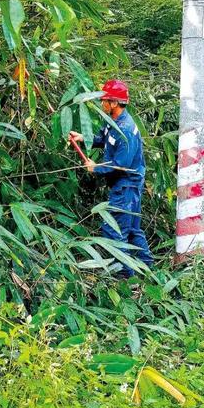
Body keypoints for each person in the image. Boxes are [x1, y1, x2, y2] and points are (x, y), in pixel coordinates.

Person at [69, 80, 153, 277]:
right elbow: (104, 139)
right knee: (132, 230)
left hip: (126, 187)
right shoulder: (113, 122)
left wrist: (95, 167)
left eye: (104, 100)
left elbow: (120, 163)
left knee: (113, 231)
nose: (102, 104)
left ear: (114, 103)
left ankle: (125, 277)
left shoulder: (126, 129)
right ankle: (148, 270)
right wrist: (84, 137)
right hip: (126, 185)